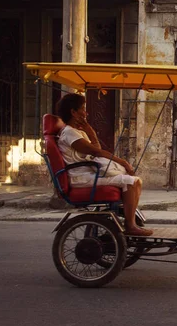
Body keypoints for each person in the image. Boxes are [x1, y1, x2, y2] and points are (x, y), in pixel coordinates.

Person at [56, 93, 153, 237]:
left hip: (88, 174)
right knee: (132, 182)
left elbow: (96, 147)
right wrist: (123, 162)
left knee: (134, 182)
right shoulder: (70, 134)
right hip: (82, 178)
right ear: (73, 112)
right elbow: (96, 151)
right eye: (83, 108)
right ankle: (130, 225)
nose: (86, 112)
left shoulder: (77, 132)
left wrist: (90, 131)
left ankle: (129, 222)